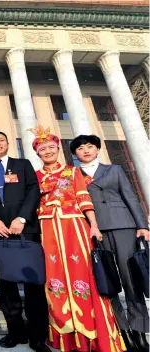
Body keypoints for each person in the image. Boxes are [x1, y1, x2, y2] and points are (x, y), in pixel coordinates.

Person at [31, 126, 124, 352]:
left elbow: (84, 199)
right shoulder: (35, 177)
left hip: (74, 226)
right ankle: (66, 336)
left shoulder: (72, 172)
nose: (48, 152)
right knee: (54, 278)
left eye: (51, 148)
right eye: (43, 149)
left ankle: (93, 335)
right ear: (38, 153)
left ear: (58, 149)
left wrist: (93, 225)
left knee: (83, 273)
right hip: (47, 228)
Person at [71, 134, 149, 351]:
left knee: (130, 278)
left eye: (89, 146)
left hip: (122, 224)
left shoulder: (113, 170)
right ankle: (120, 330)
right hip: (93, 231)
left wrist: (142, 225)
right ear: (75, 154)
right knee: (107, 280)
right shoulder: (73, 174)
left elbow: (130, 196)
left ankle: (139, 330)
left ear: (97, 149)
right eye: (80, 148)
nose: (85, 151)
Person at [0, 131, 49, 351]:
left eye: (1, 140)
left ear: (8, 144)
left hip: (25, 230)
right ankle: (15, 331)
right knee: (7, 285)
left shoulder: (22, 164)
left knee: (33, 285)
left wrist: (22, 218)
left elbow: (33, 191)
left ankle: (38, 335)